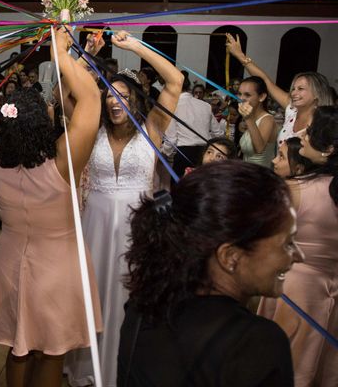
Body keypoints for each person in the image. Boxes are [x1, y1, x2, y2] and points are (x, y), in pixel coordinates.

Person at [0, 28, 103, 387]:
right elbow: (90, 101)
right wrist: (62, 53)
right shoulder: (63, 164)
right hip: (56, 267)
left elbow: (62, 105)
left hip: (9, 262)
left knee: (20, 346)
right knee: (52, 349)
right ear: (42, 123)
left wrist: (74, 58)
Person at [65, 31, 183, 387]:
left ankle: (122, 367)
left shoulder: (153, 128)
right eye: (110, 95)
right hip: (95, 227)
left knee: (128, 297)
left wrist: (133, 46)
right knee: (92, 295)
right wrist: (86, 54)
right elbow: (63, 94)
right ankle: (87, 367)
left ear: (136, 100)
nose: (115, 103)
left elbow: (175, 82)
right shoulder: (92, 131)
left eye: (124, 96)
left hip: (136, 230)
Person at [117, 161, 303, 387]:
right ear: (230, 256)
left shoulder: (141, 305)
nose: (298, 256)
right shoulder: (256, 344)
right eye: (288, 243)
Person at [258, 105, 338, 386]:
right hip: (332, 293)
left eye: (310, 130)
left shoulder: (295, 189)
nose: (301, 132)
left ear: (328, 148)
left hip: (294, 290)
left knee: (289, 364)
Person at [226, 33, 333, 146]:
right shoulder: (292, 110)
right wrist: (240, 55)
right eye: (293, 89)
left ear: (317, 93)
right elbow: (266, 81)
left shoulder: (323, 123)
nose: (294, 93)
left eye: (300, 88)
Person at [162, 75, 223, 178]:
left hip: (184, 153)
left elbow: (171, 139)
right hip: (204, 152)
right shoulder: (205, 105)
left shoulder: (173, 106)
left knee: (182, 189)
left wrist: (163, 153)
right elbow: (218, 133)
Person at [236, 76, 277, 167]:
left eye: (247, 95)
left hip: (260, 175)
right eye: (239, 94)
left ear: (262, 97)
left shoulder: (267, 119)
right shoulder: (251, 118)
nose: (241, 98)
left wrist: (248, 119)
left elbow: (259, 148)